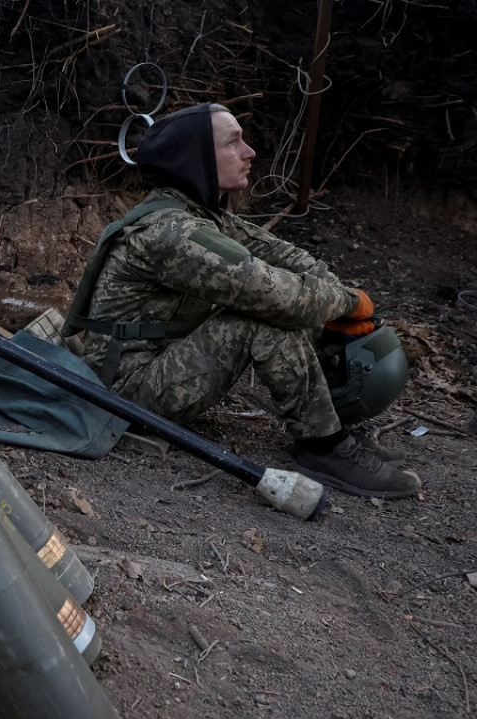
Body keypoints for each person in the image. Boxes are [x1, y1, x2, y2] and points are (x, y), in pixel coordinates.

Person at [69, 102, 419, 499]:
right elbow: (277, 295)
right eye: (233, 142)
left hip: (152, 369)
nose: (249, 152)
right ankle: (324, 447)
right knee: (264, 316)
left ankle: (329, 423)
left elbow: (285, 256)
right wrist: (349, 303)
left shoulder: (198, 215)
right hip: (122, 394)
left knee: (301, 302)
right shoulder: (171, 233)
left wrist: (334, 292)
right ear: (195, 159)